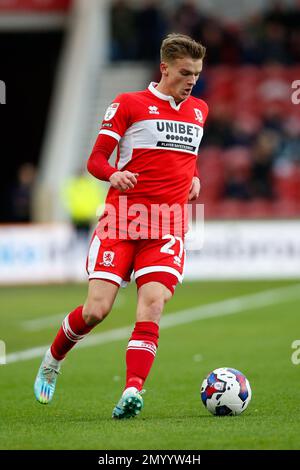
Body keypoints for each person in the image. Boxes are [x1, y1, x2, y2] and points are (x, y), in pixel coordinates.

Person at [34, 33, 208, 419]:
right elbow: (95, 160)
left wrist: (194, 179)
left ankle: (132, 391)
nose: (192, 79)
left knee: (153, 304)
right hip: (121, 222)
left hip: (166, 225)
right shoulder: (129, 104)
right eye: (184, 72)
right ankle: (52, 358)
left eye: (196, 73)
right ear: (165, 68)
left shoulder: (199, 110)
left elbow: (186, 157)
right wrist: (113, 175)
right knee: (97, 310)